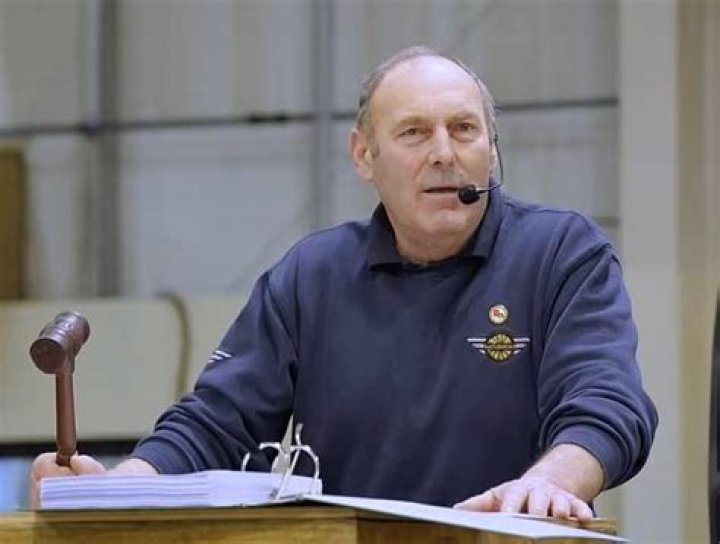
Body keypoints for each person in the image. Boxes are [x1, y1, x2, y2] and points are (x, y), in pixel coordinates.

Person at [31, 45, 658, 520]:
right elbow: (217, 423)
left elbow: (607, 405)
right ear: (363, 155)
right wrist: (118, 486)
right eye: (414, 132)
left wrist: (552, 482)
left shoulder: (561, 252)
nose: (444, 152)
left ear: (492, 149)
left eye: (464, 129)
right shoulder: (312, 275)